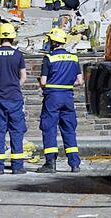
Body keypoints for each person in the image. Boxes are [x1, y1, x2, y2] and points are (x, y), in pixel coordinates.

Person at [36, 28, 83, 173]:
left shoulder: (49, 58)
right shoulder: (74, 58)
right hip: (68, 97)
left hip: (52, 96)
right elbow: (80, 81)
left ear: (53, 41)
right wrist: (66, 83)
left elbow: (43, 82)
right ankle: (74, 163)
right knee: (69, 129)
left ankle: (50, 163)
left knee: (49, 128)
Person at [0, 23, 28, 174]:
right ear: (12, 38)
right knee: (16, 131)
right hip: (15, 97)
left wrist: (0, 86)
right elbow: (23, 77)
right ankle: (17, 167)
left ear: (0, 37)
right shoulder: (18, 55)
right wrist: (14, 86)